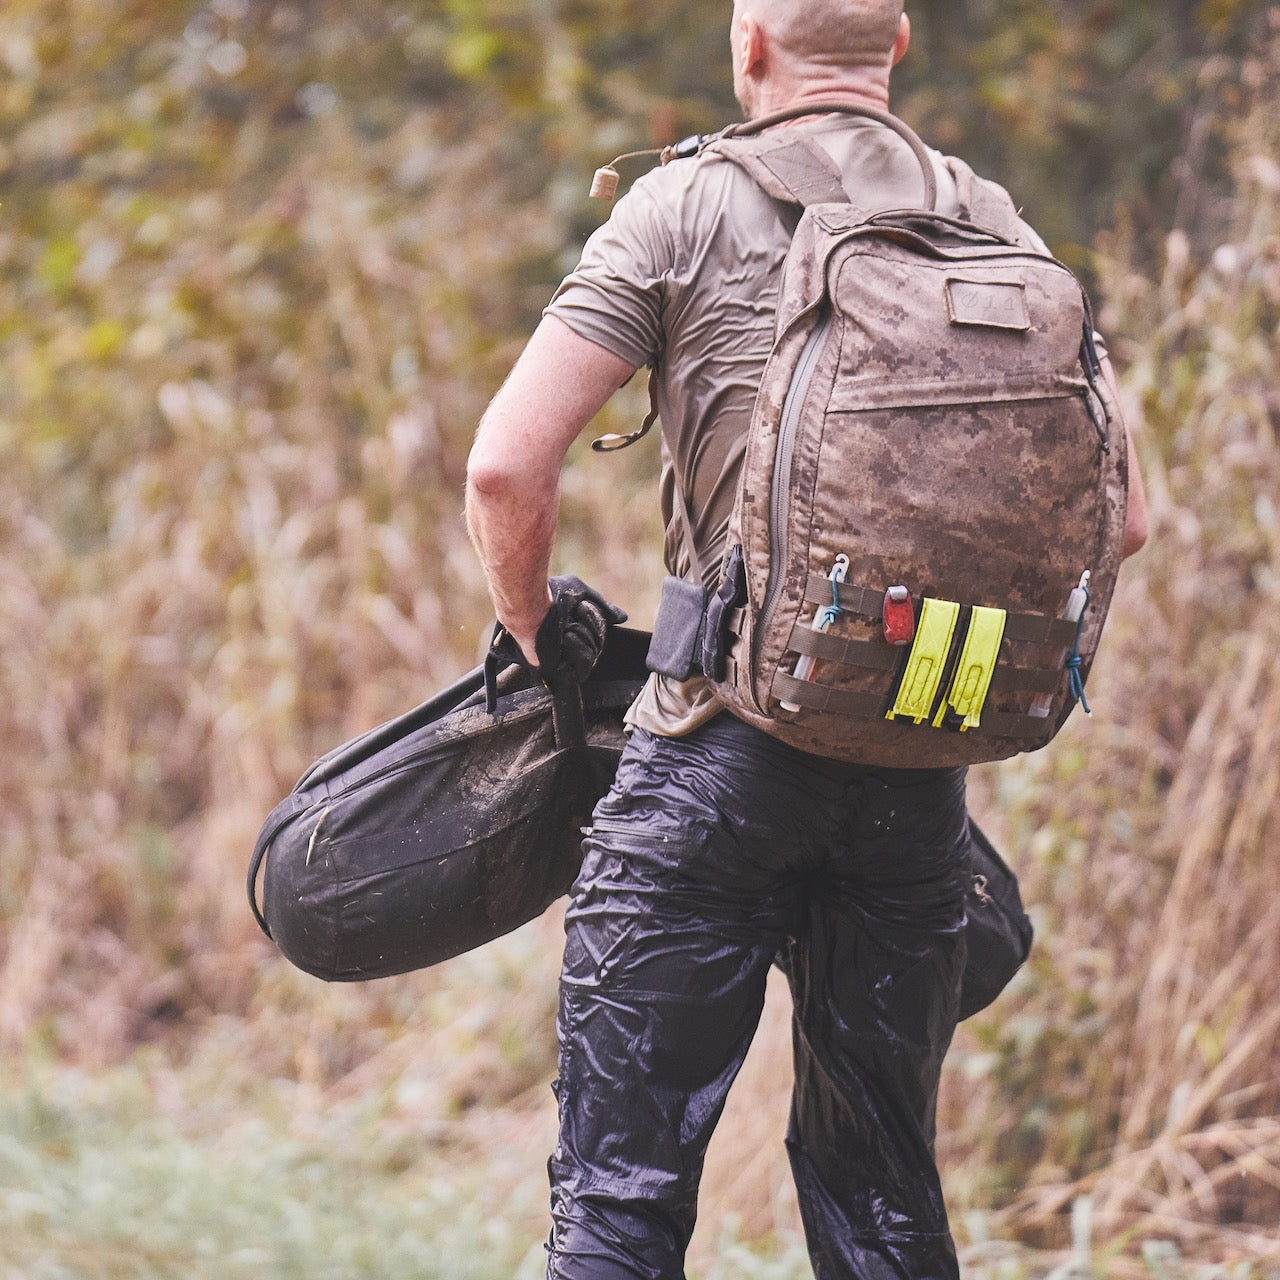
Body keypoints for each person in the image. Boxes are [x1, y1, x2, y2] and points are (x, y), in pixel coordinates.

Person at [465, 1, 1149, 1276]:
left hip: (711, 759)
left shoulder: (680, 205)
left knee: (617, 1209)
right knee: (881, 1197)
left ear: (748, 48)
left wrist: (536, 633)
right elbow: (1130, 517)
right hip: (916, 785)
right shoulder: (993, 221)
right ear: (894, 49)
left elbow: (506, 467)